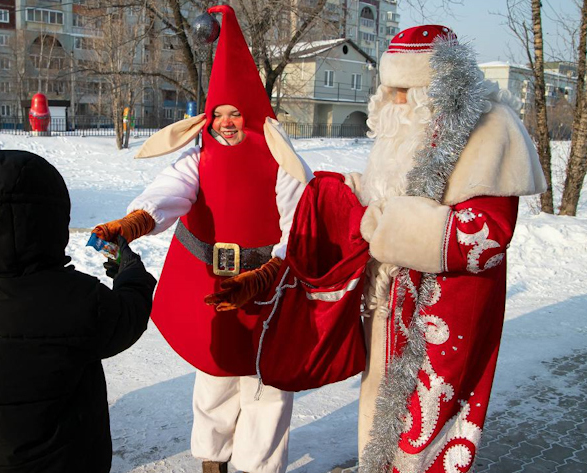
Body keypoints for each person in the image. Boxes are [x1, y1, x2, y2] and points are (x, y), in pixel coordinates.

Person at [93, 6, 312, 473]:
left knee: (265, 384)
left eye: (236, 113)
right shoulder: (201, 155)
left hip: (267, 292)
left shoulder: (281, 159)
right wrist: (134, 222)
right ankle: (213, 459)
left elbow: (300, 223)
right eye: (219, 113)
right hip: (215, 287)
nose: (227, 122)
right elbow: (171, 190)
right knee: (214, 372)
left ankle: (257, 466)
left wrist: (268, 273)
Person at [351, 26, 546, 473]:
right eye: (389, 89)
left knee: (424, 426)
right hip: (387, 301)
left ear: (434, 89)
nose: (395, 102)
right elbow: (392, 195)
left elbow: (486, 236)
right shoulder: (405, 132)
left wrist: (387, 224)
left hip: (442, 308)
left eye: (404, 90)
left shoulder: (489, 129)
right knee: (378, 410)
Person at [0, 150, 157, 473]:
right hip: (67, 460)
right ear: (53, 221)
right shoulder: (77, 297)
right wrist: (130, 272)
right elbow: (128, 318)